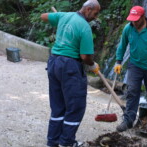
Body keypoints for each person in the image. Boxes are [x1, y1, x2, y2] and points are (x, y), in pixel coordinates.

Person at [40, 0, 101, 146]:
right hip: (70, 66)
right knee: (75, 106)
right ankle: (66, 142)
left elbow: (43, 16)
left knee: (58, 105)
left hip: (54, 63)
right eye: (95, 13)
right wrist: (93, 65)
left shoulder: (64, 16)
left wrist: (60, 22)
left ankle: (53, 141)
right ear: (88, 9)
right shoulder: (84, 27)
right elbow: (85, 56)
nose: (95, 17)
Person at [114, 6, 147, 132]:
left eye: (137, 20)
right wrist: (118, 62)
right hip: (135, 65)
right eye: (132, 20)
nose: (134, 22)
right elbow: (122, 46)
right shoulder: (128, 29)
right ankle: (128, 120)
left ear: (143, 17)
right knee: (132, 91)